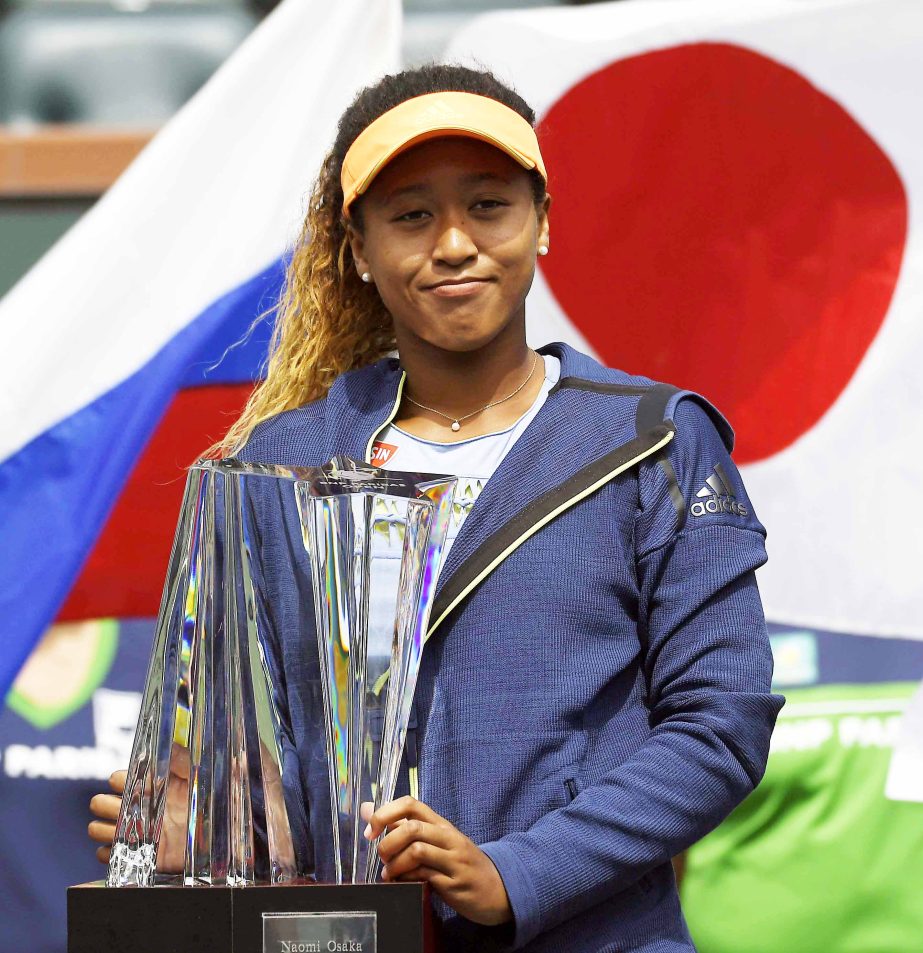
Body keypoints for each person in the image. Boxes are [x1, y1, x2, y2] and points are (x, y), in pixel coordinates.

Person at [90, 64, 784, 951]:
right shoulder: (273, 463)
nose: (453, 243)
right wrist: (211, 837)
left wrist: (520, 870)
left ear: (541, 222)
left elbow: (718, 723)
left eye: (488, 205)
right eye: (411, 215)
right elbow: (248, 745)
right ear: (357, 246)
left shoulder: (653, 440)